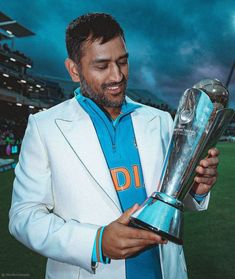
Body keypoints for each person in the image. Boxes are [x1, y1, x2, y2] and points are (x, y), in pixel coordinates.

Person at [9, 13, 219, 279]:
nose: (117, 75)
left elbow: (174, 196)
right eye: (102, 65)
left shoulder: (161, 119)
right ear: (74, 70)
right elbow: (23, 217)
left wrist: (197, 189)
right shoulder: (45, 127)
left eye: (122, 61)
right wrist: (96, 242)